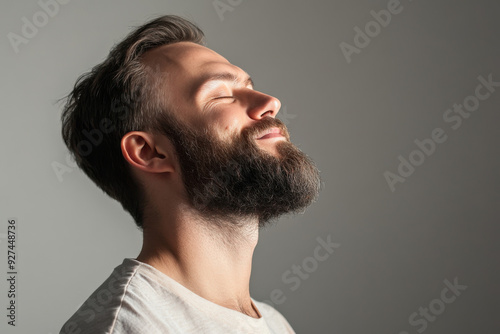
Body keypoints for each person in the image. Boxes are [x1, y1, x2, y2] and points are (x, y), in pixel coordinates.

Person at [59, 15, 321, 334]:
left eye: (249, 86)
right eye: (222, 95)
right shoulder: (130, 326)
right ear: (150, 153)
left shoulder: (273, 323)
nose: (270, 103)